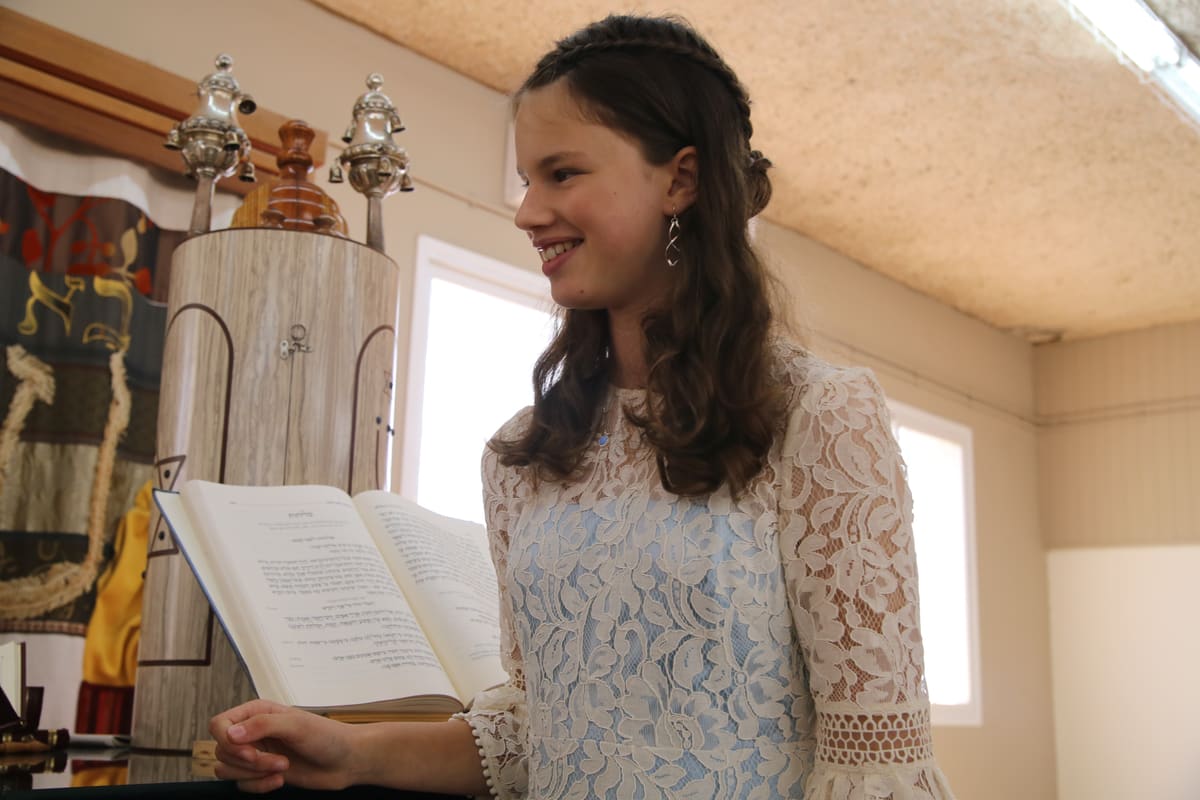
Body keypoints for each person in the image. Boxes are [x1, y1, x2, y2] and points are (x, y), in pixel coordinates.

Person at [210, 14, 955, 798]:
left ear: (682, 180)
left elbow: (873, 762)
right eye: (527, 179)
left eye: (561, 174)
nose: (528, 211)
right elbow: (537, 733)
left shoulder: (819, 417)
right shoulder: (521, 456)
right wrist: (352, 753)